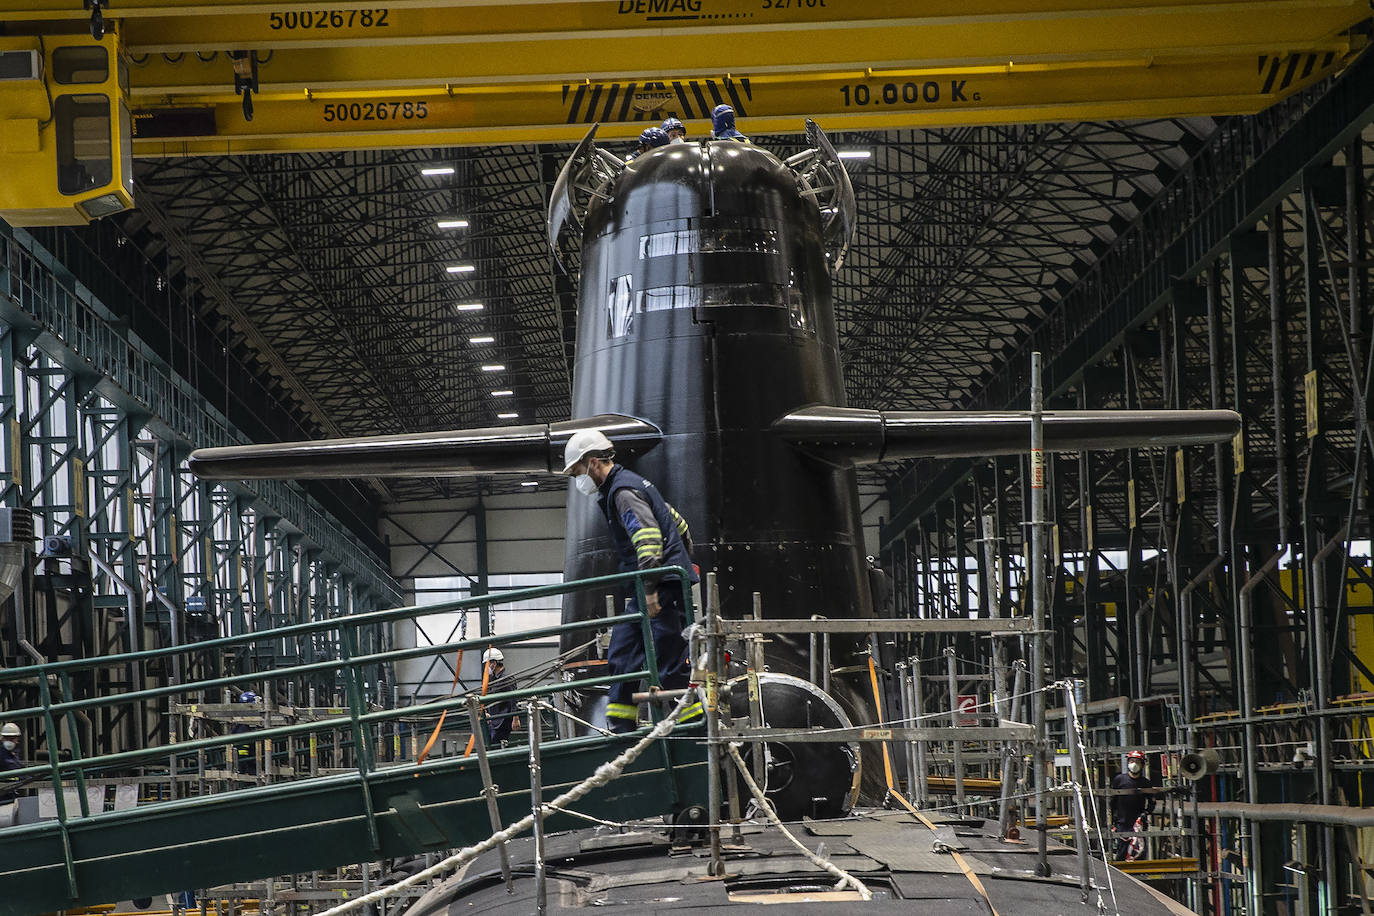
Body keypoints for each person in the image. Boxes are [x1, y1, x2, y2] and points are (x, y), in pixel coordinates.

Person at [560, 429, 701, 733]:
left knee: (668, 655)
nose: (578, 479)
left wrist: (654, 587)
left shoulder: (623, 492)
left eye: (577, 472)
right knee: (622, 651)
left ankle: (690, 726)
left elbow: (648, 540)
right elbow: (678, 523)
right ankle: (621, 725)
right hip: (651, 582)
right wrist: (680, 561)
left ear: (594, 462)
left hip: (656, 585)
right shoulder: (631, 486)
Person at [1109, 749, 1156, 860]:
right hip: (1122, 823)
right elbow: (1112, 800)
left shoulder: (1145, 783)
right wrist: (1113, 819)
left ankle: (1138, 875)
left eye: (1137, 762)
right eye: (1132, 761)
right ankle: (1120, 875)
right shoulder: (1119, 780)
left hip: (1138, 823)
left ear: (1142, 765)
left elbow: (1152, 802)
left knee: (1139, 851)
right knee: (1122, 851)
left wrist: (1146, 813)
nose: (1134, 764)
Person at [482, 648, 516, 746]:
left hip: (503, 721)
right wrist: (487, 711)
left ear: (494, 663)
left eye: (487, 664)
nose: (486, 667)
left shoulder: (506, 678)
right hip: (494, 720)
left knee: (496, 744)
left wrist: (515, 718)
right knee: (490, 744)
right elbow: (489, 696)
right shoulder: (493, 679)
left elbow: (514, 698)